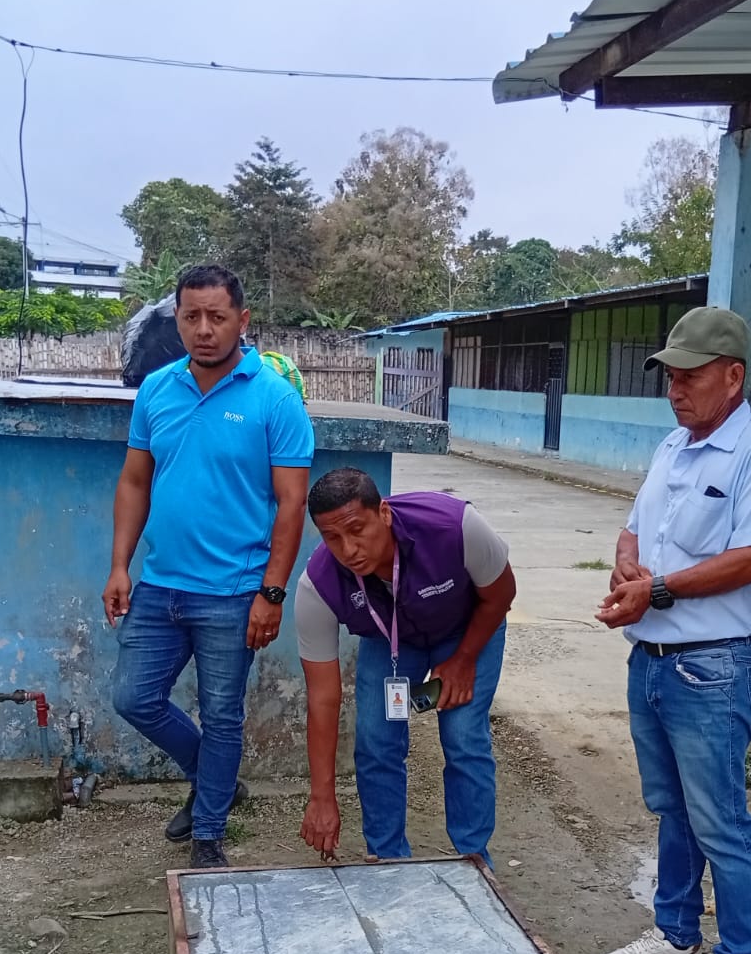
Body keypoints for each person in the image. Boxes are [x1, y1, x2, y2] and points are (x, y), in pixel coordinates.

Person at [595, 306, 751, 954]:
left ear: (733, 376)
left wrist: (658, 590)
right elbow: (634, 529)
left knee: (720, 821)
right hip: (651, 661)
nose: (675, 390)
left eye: (689, 376)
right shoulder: (672, 447)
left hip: (713, 667)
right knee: (673, 809)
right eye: (670, 377)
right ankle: (677, 937)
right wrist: (627, 567)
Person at [104, 264, 313, 869]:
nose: (203, 329)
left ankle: (208, 836)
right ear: (177, 319)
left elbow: (292, 502)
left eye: (217, 317)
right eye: (191, 316)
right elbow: (134, 481)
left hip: (233, 592)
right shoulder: (156, 390)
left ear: (241, 321)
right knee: (134, 698)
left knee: (222, 715)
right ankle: (214, 780)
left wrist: (271, 594)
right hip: (160, 584)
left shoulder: (274, 398)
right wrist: (119, 566)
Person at [294, 468, 516, 864]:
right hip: (391, 641)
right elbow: (323, 697)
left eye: (356, 530)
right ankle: (388, 861)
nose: (348, 549)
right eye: (332, 538)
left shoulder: (455, 527)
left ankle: (473, 861)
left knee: (463, 734)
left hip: (469, 626)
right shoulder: (317, 587)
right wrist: (322, 796)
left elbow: (502, 593)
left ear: (384, 513)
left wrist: (464, 660)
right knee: (376, 738)